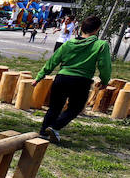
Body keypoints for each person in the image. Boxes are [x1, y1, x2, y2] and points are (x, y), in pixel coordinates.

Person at [32, 15, 111, 143]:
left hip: (62, 78)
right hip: (81, 81)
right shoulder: (101, 45)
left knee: (55, 107)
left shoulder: (68, 43)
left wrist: (39, 76)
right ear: (97, 30)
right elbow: (105, 65)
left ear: (81, 28)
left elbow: (53, 60)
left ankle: (43, 133)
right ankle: (55, 127)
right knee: (75, 108)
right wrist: (105, 81)